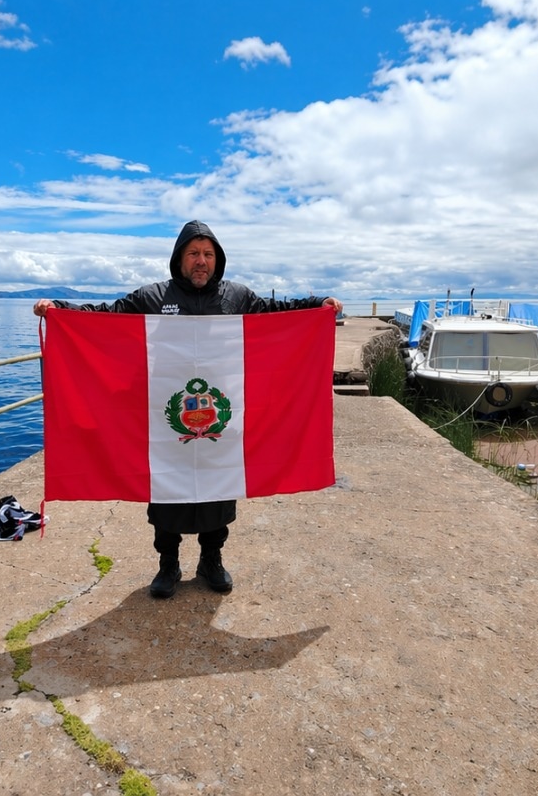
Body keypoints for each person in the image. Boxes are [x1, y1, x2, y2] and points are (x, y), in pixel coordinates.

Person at [34, 220, 342, 599]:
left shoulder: (237, 296)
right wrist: (60, 309)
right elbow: (106, 314)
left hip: (220, 420)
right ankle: (168, 564)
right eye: (194, 253)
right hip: (165, 421)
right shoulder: (152, 296)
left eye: (208, 254)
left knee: (219, 491)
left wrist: (318, 306)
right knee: (166, 498)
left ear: (218, 260)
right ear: (179, 258)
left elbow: (277, 311)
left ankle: (211, 560)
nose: (201, 261)